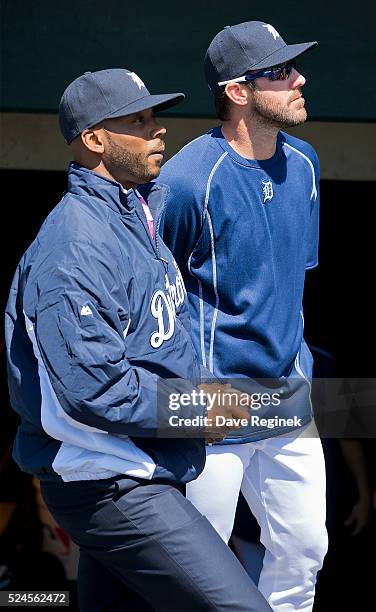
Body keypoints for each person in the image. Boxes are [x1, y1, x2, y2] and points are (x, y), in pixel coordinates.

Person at [4, 68, 272, 611]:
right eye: (139, 120)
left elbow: (158, 340)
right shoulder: (74, 244)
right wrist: (195, 412)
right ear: (95, 139)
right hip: (108, 481)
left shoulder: (134, 212)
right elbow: (93, 390)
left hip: (142, 466)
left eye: (155, 117)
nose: (159, 132)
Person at [158, 21, 328, 611]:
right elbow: (155, 298)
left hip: (285, 391)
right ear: (237, 91)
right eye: (281, 72)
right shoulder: (184, 181)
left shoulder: (304, 165)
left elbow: (290, 281)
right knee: (198, 567)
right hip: (209, 398)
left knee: (306, 549)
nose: (299, 78)